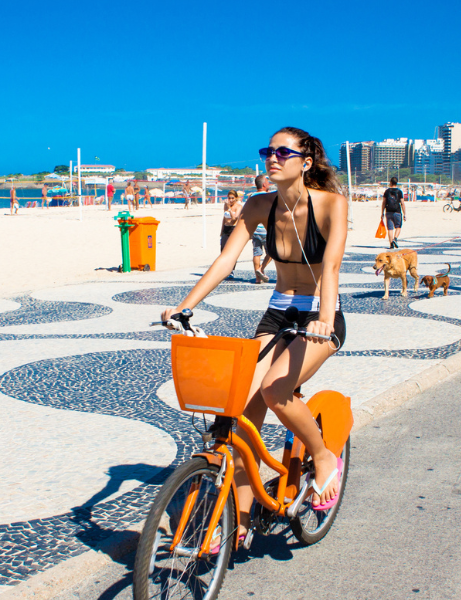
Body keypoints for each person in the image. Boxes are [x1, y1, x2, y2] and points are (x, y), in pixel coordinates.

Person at [161, 126, 348, 536]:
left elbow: (331, 267)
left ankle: (322, 456)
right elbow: (227, 260)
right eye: (269, 151)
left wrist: (324, 318)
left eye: (284, 152)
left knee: (276, 389)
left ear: (307, 161)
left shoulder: (332, 204)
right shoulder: (259, 204)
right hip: (279, 314)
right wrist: (185, 307)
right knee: (244, 408)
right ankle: (240, 523)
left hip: (320, 314)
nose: (273, 157)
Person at [248, 175, 275, 283]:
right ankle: (261, 268)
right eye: (267, 182)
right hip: (266, 229)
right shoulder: (268, 197)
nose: (268, 183)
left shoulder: (252, 197)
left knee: (256, 253)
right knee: (272, 252)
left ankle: (258, 278)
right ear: (264, 184)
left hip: (255, 230)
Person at [381, 177, 405, 248]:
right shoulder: (399, 192)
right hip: (397, 211)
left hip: (388, 211)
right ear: (396, 183)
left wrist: (382, 212)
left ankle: (391, 243)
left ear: (390, 182)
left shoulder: (387, 191)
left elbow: (384, 203)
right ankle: (395, 238)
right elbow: (402, 203)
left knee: (390, 228)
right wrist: (404, 214)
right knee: (398, 227)